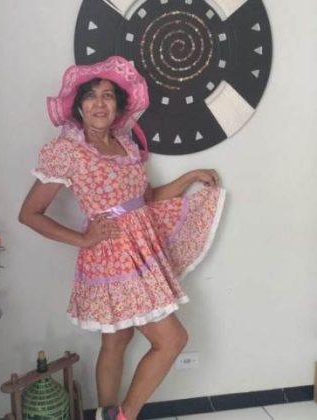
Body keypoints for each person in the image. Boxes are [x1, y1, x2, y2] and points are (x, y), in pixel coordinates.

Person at [19, 55, 225, 420]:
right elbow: (29, 214)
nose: (99, 103)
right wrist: (83, 239)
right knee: (171, 340)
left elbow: (145, 199)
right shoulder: (67, 152)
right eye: (91, 96)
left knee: (117, 339)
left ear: (118, 105)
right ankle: (123, 417)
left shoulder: (127, 145)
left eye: (108, 95)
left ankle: (106, 414)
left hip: (142, 253)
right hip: (111, 256)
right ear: (78, 105)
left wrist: (190, 177)